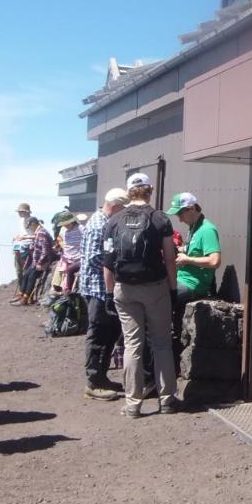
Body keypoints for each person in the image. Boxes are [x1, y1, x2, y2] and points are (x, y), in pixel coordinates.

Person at [103, 173, 180, 417]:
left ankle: (133, 404)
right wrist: (173, 288)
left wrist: (109, 293)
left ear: (128, 192)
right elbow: (170, 258)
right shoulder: (160, 219)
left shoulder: (114, 221)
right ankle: (167, 400)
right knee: (161, 343)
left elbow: (108, 262)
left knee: (132, 344)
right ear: (150, 190)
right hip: (155, 286)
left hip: (124, 288)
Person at [81, 190, 128, 401]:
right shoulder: (99, 225)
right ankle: (94, 382)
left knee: (108, 333)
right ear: (116, 206)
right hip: (97, 289)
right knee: (99, 334)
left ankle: (101, 377)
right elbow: (94, 258)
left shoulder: (102, 222)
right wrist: (120, 264)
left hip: (102, 288)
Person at [166, 193, 221, 369]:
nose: (179, 219)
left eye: (180, 214)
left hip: (193, 285)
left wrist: (188, 259)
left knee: (160, 300)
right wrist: (181, 250)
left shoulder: (207, 230)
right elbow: (196, 250)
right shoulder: (194, 228)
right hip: (181, 279)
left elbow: (215, 261)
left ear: (191, 209)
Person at [13, 217, 55, 306]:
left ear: (33, 224)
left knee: (32, 276)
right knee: (26, 274)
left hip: (43, 261)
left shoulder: (41, 233)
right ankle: (21, 295)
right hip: (36, 261)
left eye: (29, 226)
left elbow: (45, 250)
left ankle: (26, 298)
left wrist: (40, 263)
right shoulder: (38, 232)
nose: (30, 229)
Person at [58, 213, 85, 292]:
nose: (65, 225)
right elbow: (63, 243)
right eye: (64, 224)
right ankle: (57, 289)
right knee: (59, 269)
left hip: (79, 258)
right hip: (67, 258)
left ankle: (68, 290)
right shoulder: (63, 231)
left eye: (67, 224)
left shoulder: (81, 228)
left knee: (70, 270)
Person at [12, 203, 34, 284]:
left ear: (26, 212)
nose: (19, 213)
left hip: (28, 244)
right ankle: (20, 284)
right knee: (18, 268)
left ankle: (24, 285)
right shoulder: (21, 221)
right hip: (19, 243)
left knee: (25, 268)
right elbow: (22, 233)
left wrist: (25, 238)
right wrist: (17, 236)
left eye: (21, 212)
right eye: (19, 212)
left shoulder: (32, 221)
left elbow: (37, 235)